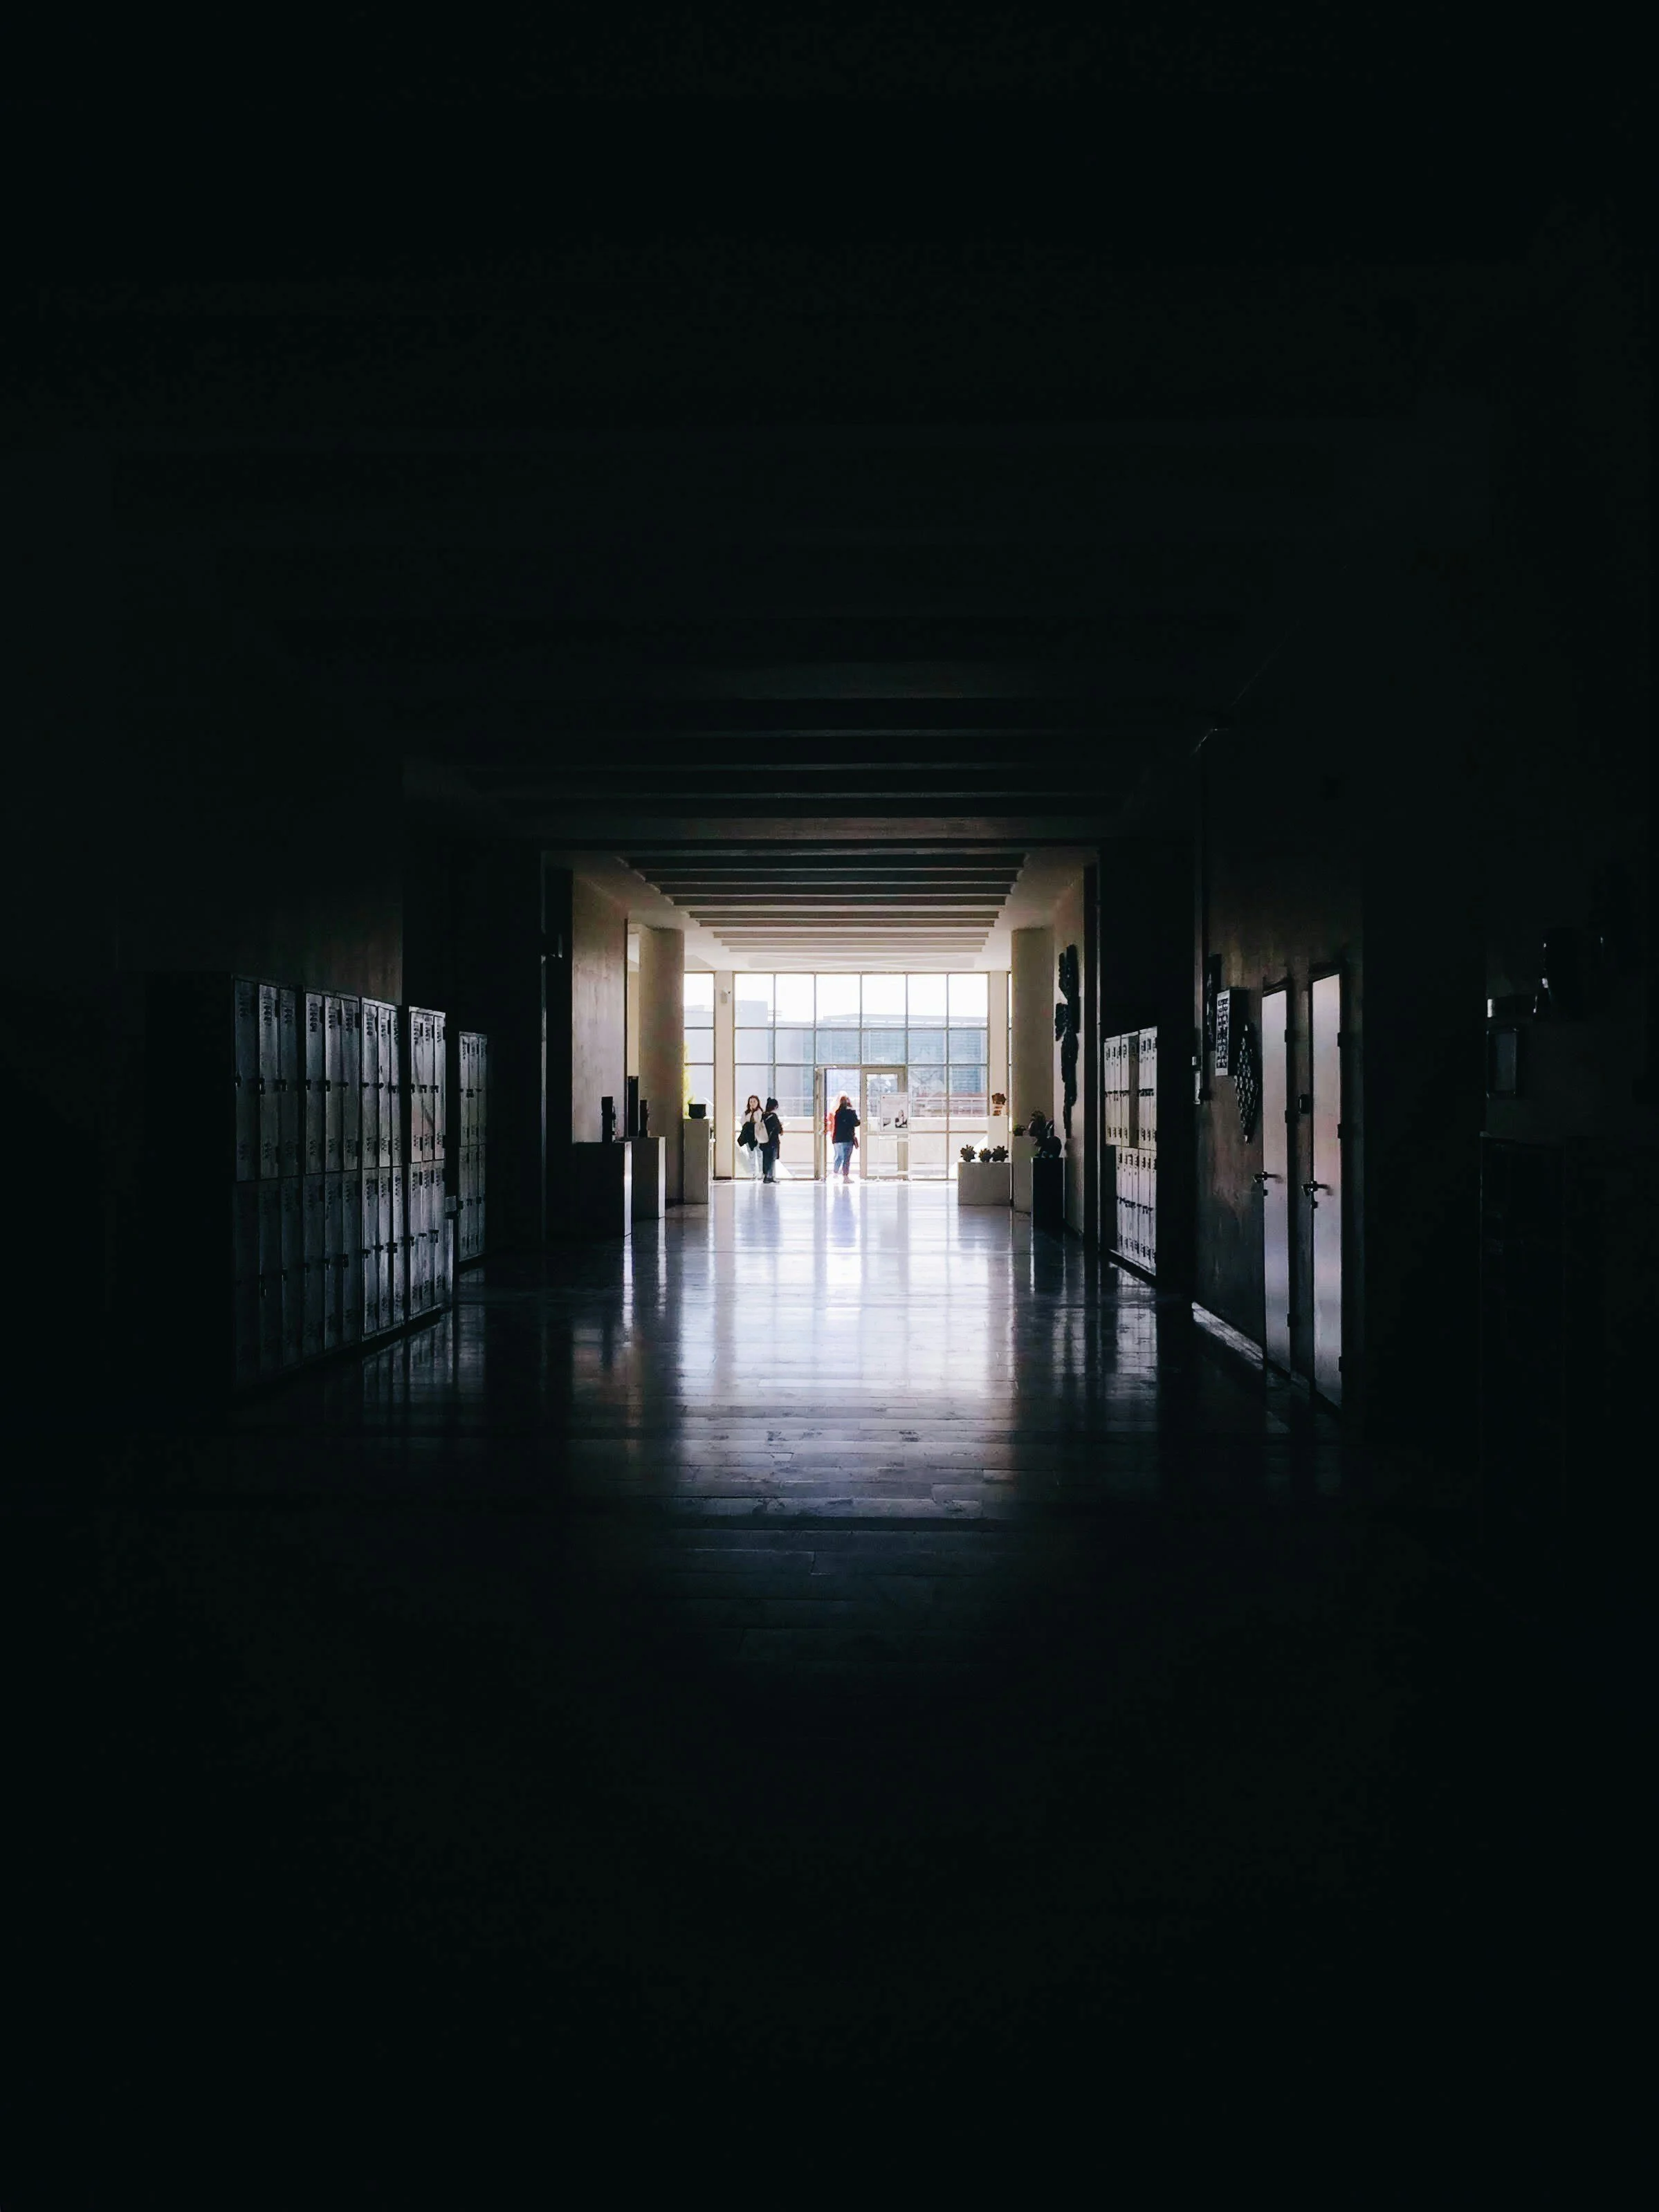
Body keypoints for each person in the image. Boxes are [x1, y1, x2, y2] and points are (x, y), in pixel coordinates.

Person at [829, 1092, 859, 1179]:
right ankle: (845, 1175)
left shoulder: (837, 1112)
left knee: (838, 1156)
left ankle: (835, 1172)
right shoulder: (851, 1112)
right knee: (846, 1158)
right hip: (847, 1138)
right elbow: (856, 1123)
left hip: (837, 1138)